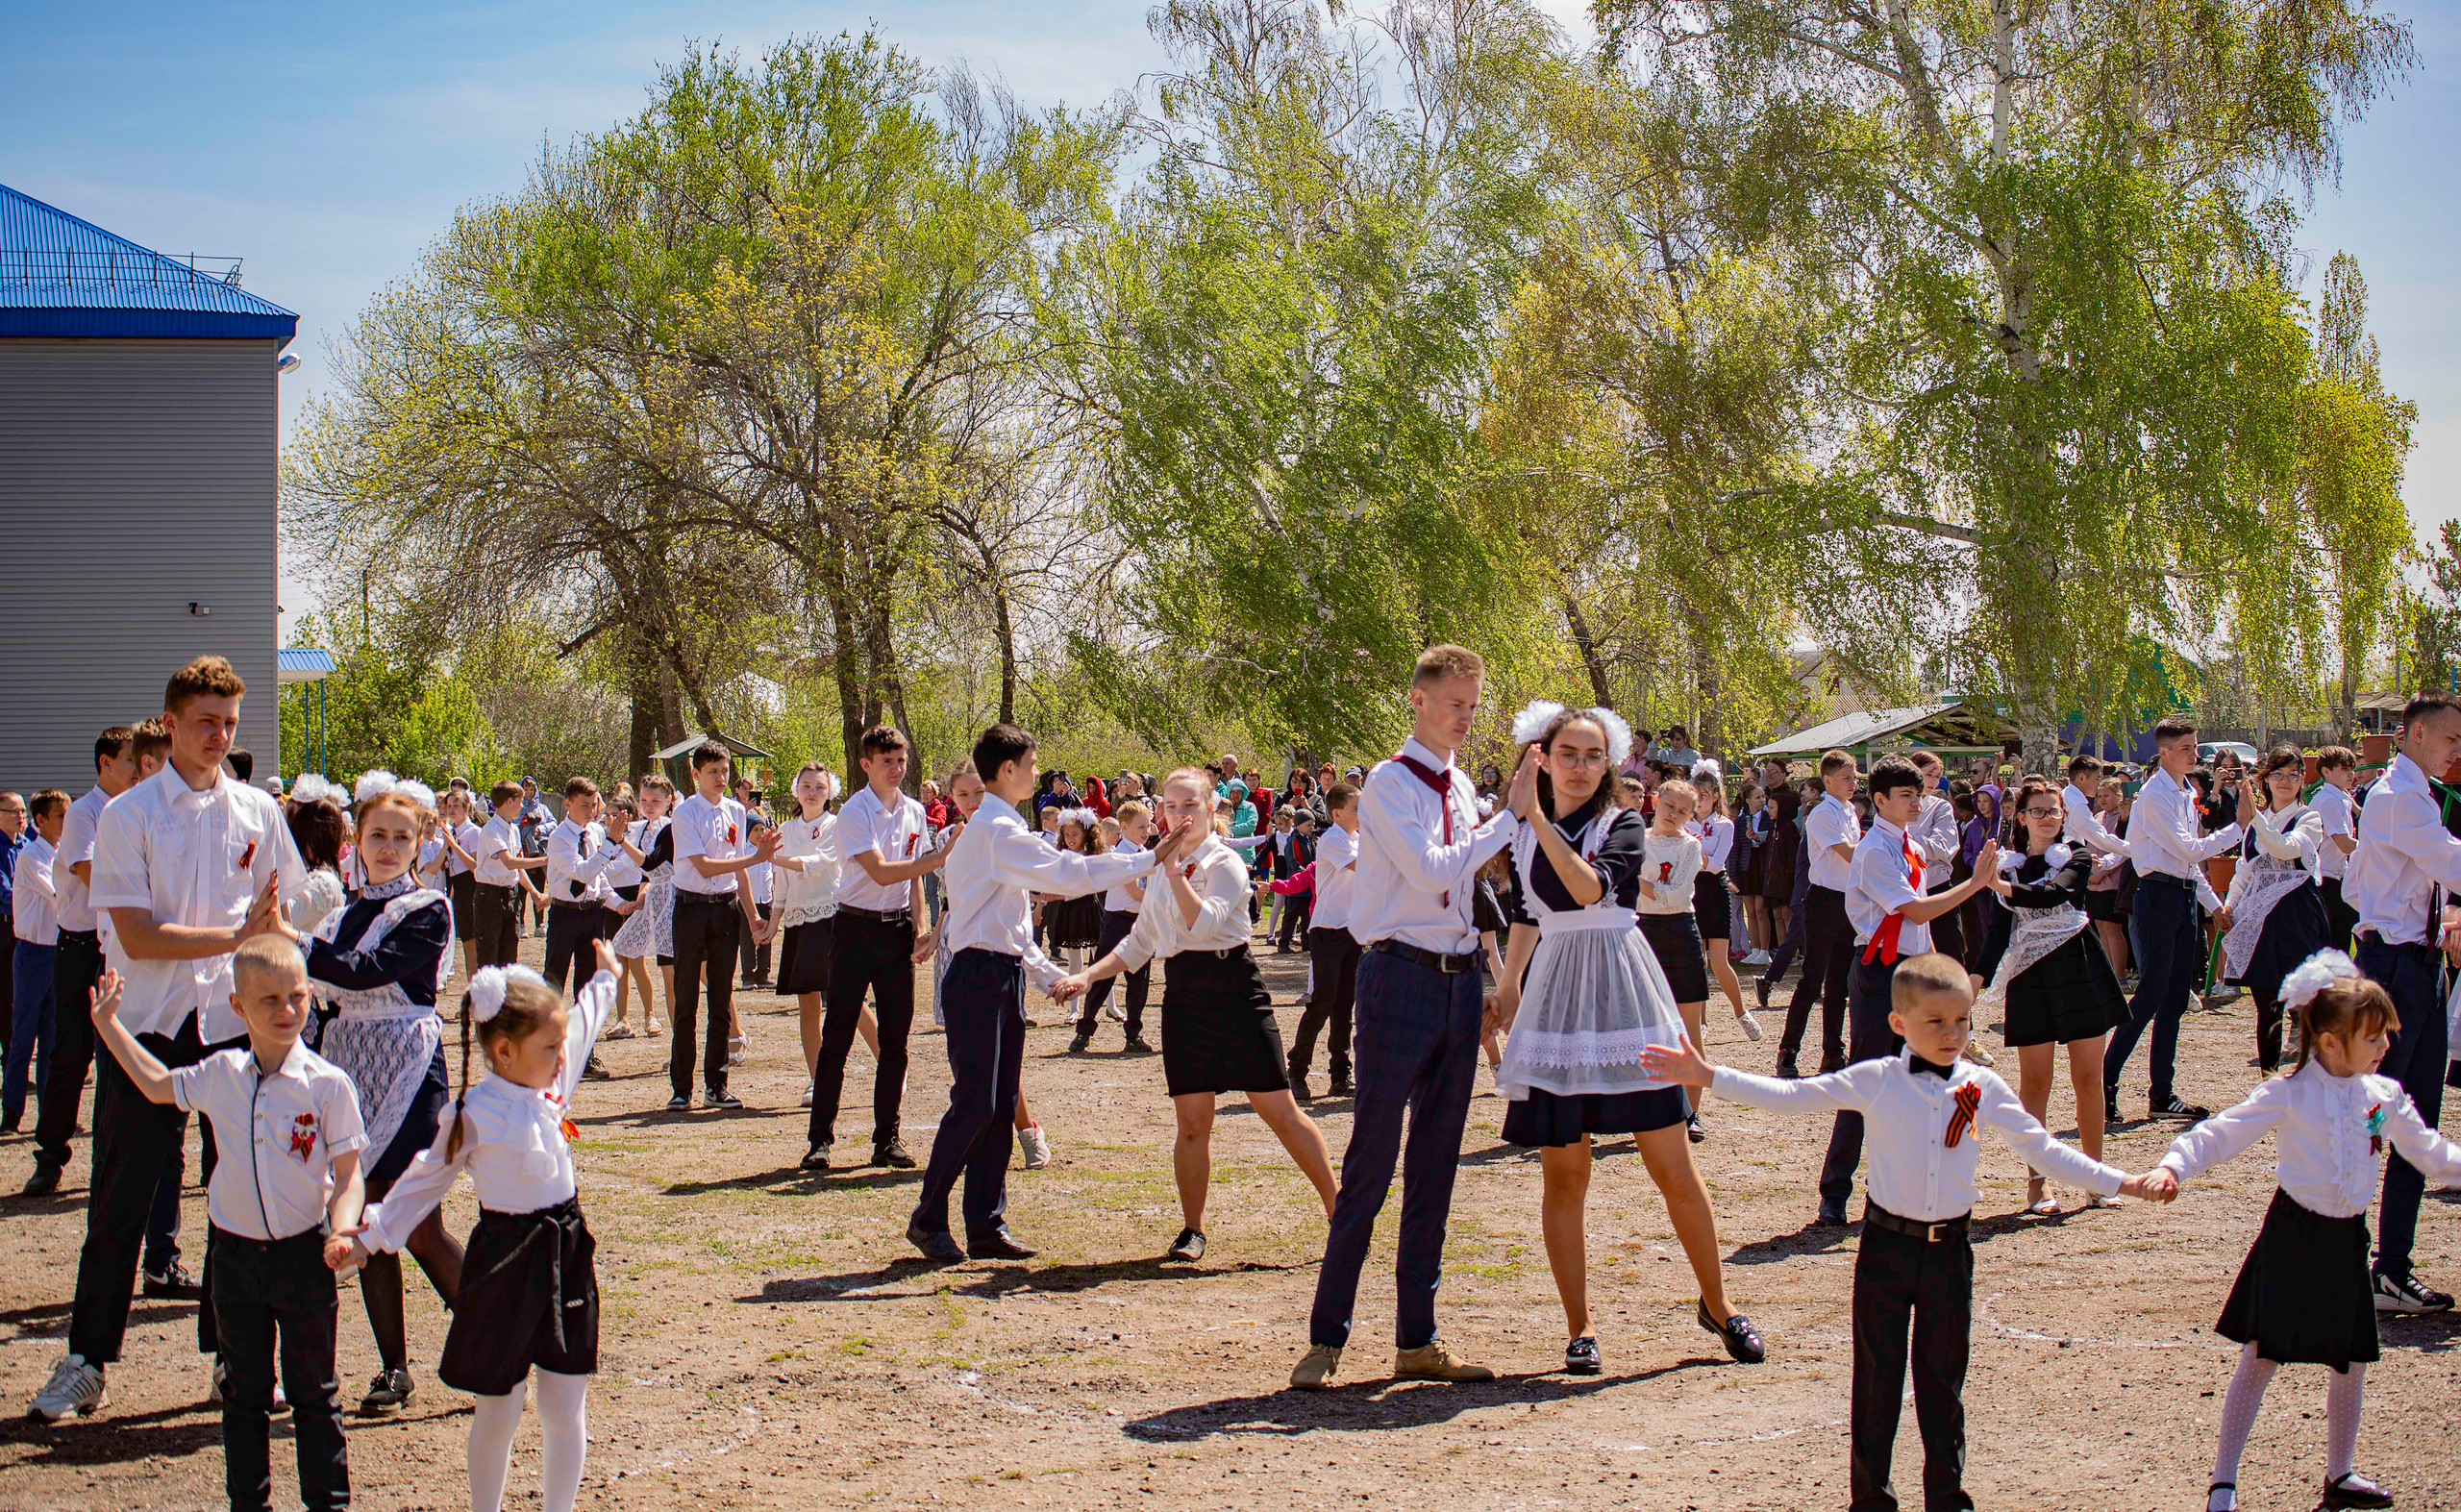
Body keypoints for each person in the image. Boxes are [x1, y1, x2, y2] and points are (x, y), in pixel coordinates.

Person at [1642, 954, 2161, 1512]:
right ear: (1899, 1024)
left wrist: (2121, 1182)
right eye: (1935, 1022)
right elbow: (1794, 1098)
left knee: (1943, 1386)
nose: (1951, 1033)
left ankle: (1947, 1497)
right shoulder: (1878, 1080)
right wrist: (1707, 1075)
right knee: (1877, 1384)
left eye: (1961, 1020)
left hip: (1950, 1254)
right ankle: (1870, 1499)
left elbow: (2044, 1149)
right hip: (1886, 1251)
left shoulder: (1980, 1087)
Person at [31, 657, 308, 1425]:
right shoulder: (129, 815)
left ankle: (232, 1356)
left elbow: (284, 909)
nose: (218, 735)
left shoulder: (258, 810)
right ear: (171, 723)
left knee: (239, 1197)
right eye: (204, 722)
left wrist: (296, 937)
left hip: (230, 1026)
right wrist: (235, 935)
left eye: (228, 722)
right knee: (120, 1198)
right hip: (146, 1027)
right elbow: (138, 936)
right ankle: (87, 1359)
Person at [1487, 704, 1763, 1376]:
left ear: (1607, 762)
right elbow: (1527, 911)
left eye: (1592, 755)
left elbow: (1587, 891)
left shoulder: (1625, 822)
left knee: (1673, 1164)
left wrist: (1537, 819)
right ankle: (1579, 1326)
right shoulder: (1523, 829)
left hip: (1622, 986)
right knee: (1565, 1172)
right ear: (1541, 756)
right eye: (1567, 753)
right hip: (1555, 996)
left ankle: (1718, 1303)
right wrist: (1510, 983)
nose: (1580, 766)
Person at [2143, 952, 2461, 1512]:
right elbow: (2217, 1134)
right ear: (2332, 1042)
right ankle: (2223, 1483)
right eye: (2373, 1038)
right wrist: (2173, 1165)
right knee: (2262, 1353)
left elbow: (2429, 1153)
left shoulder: (2379, 1097)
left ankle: (2339, 1475)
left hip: (2347, 1240)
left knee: (2351, 1357)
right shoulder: (2288, 1093)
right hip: (2293, 1235)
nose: (2387, 1047)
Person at [1292, 644, 1523, 1391]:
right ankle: (1328, 1335)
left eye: (1473, 705)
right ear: (1418, 700)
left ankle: (1417, 1338)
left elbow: (1468, 889)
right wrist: (1507, 820)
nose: (1465, 717)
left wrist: (1488, 976)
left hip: (1456, 985)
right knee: (1370, 1161)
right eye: (1454, 702)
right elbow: (1430, 870)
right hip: (1395, 975)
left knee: (1435, 1165)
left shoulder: (1458, 785)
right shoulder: (1391, 781)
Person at [88, 938, 364, 1512]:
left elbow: (349, 1174)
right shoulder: (220, 1073)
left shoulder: (327, 1084)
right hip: (236, 1265)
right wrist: (111, 1028)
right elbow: (159, 1085)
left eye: (296, 996)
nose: (287, 1010)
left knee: (316, 1397)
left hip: (305, 1259)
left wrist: (342, 1228)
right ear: (237, 1006)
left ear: (311, 995)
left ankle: (329, 1505)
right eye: (269, 1000)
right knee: (244, 1399)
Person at [341, 951, 618, 1512]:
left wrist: (608, 976)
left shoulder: (551, 1079)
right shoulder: (472, 1112)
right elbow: (420, 1185)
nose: (563, 1055)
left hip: (565, 1254)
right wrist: (367, 1237)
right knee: (500, 1408)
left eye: (559, 1045)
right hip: (505, 1263)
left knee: (565, 1406)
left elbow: (586, 1021)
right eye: (549, 1046)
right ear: (504, 1051)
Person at [1056, 767, 1339, 1264]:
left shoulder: (1225, 862)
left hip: (1235, 990)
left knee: (1280, 1113)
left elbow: (1204, 920)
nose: (1179, 815)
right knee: (1191, 1124)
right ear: (1160, 811)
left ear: (1211, 810)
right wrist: (1087, 977)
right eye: (1170, 806)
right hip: (1184, 994)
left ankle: (1342, 1214)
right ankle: (1193, 1230)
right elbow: (1140, 941)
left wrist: (1169, 872)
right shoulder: (1163, 864)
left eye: (1190, 805)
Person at [905, 724, 1161, 1256]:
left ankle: (986, 1225)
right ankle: (929, 1218)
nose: (1035, 773)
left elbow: (1013, 925)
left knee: (998, 1105)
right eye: (1029, 764)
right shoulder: (996, 830)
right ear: (1007, 770)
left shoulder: (1001, 828)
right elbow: (1067, 875)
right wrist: (1146, 859)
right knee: (975, 1103)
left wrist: (1048, 975)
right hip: (976, 976)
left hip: (998, 974)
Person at [1814, 756, 2000, 1227]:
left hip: (1910, 969)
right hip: (1880, 971)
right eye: (1906, 796)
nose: (1916, 802)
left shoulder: (1907, 844)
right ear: (1879, 801)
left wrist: (1935, 969)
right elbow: (1914, 912)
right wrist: (1974, 884)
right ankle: (1835, 1190)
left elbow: (1919, 928)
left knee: (1922, 1080)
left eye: (1919, 795)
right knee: (1869, 1079)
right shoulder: (1876, 848)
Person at [2338, 690, 2461, 1314]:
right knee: (2371, 1124)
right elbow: (2451, 863)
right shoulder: (2397, 797)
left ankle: (2389, 1269)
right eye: (2450, 739)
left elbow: (2360, 879)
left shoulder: (2407, 795)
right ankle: (2346, 1259)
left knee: (2410, 1126)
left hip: (2415, 964)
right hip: (2393, 972)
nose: (2456, 751)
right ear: (2414, 734)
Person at [1972, 777, 2128, 1214]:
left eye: (2054, 810)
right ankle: (2037, 1185)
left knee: (2088, 1079)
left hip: (2080, 968)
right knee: (2035, 1084)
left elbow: (2057, 893)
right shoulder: (2010, 865)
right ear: (2020, 818)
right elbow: (1998, 932)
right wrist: (1974, 980)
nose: (2047, 818)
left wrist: (1998, 888)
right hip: (2030, 977)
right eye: (2037, 811)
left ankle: (2096, 1179)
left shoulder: (2076, 855)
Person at [811, 726, 945, 1165]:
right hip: (853, 929)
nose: (896, 768)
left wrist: (921, 928)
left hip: (895, 934)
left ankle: (887, 1139)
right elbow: (883, 872)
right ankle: (820, 1141)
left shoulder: (911, 811)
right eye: (886, 761)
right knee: (838, 1037)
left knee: (896, 1040)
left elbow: (913, 882)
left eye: (901, 760)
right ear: (867, 764)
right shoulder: (854, 811)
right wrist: (941, 857)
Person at [2105, 716, 2246, 1125]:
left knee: (2175, 1000)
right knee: (2150, 994)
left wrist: (2212, 903)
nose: (2194, 753)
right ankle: (2105, 1080)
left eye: (2195, 746)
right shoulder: (2154, 796)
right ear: (2164, 752)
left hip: (2181, 896)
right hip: (2156, 898)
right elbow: (2187, 850)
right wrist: (2239, 829)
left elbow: (2188, 867)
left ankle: (2161, 1093)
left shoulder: (2185, 792)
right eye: (2185, 748)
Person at [23, 729, 136, 1198]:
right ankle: (50, 1158)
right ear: (106, 763)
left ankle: (107, 1160)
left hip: (116, 946)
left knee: (116, 1061)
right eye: (130, 759)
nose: (137, 767)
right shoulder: (83, 814)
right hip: (79, 946)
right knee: (70, 1056)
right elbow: (92, 875)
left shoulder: (133, 810)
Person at [668, 744, 776, 1112]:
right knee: (686, 999)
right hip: (691, 909)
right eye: (712, 770)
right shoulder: (684, 814)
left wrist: (753, 915)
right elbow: (704, 865)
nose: (720, 777)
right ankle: (681, 1088)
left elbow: (737, 869)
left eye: (724, 769)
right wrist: (757, 856)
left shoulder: (735, 810)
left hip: (725, 911)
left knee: (720, 999)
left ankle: (717, 1084)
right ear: (696, 774)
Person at [2217, 744, 2331, 1075]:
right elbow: (2245, 870)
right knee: (2267, 1006)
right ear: (2266, 780)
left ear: (2302, 780)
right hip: (2261, 919)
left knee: (2306, 1000)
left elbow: (2284, 848)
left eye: (2292, 775)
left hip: (2297, 914)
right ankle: (2268, 1080)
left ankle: (2311, 1079)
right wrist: (2228, 905)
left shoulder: (2308, 817)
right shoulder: (2258, 823)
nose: (2284, 781)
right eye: (2277, 774)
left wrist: (2256, 818)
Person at [1777, 751, 1861, 1078]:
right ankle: (1788, 1050)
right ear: (1827, 781)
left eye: (1854, 777)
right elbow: (1848, 853)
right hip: (1824, 901)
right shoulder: (1822, 813)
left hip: (1849, 900)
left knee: (1840, 981)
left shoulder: (1850, 810)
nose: (1853, 784)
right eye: (1846, 778)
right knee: (1813, 979)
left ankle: (1833, 1052)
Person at [771, 763, 843, 1101]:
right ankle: (818, 1079)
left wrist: (770, 857)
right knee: (808, 1004)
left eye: (819, 786)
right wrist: (771, 924)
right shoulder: (784, 829)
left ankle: (889, 1065)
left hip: (831, 917)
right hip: (799, 923)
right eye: (806, 786)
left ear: (830, 792)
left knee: (848, 1001)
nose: (812, 792)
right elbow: (782, 886)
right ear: (795, 790)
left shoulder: (836, 825)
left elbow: (816, 864)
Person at [1285, 783, 1362, 1098]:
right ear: (1337, 813)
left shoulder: (1358, 838)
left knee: (1345, 1005)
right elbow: (1368, 866)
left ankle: (1340, 1075)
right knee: (1322, 1003)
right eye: (1357, 808)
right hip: (1327, 931)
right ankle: (1296, 1070)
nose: (1363, 814)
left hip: (1351, 931)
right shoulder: (1333, 839)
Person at [1071, 801, 1156, 1055]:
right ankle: (1083, 1032)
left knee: (1138, 981)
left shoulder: (1143, 852)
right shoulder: (1120, 855)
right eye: (1141, 826)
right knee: (1103, 977)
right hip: (1118, 921)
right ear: (1125, 827)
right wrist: (1163, 894)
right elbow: (1135, 891)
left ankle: (1134, 1035)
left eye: (1148, 824)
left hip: (1139, 923)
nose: (1147, 830)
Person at [1686, 762, 1761, 1044]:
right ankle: (1701, 1021)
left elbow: (1718, 865)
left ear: (1716, 795)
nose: (1701, 799)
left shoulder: (1725, 825)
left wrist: (1694, 850)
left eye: (1706, 794)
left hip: (1715, 891)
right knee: (1697, 961)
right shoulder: (1684, 823)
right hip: (1689, 889)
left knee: (1719, 961)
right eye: (1696, 793)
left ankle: (1741, 1012)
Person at [6, 788, 65, 1132]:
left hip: (53, 952)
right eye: (59, 816)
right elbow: (60, 894)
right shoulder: (32, 856)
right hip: (32, 954)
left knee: (51, 1039)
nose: (65, 823)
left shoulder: (59, 853)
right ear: (40, 821)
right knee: (23, 1037)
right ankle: (12, 1112)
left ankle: (48, 1113)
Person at [541, 779, 617, 998]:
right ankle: (549, 1029)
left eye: (594, 805)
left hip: (593, 913)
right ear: (567, 804)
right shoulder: (559, 837)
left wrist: (619, 903)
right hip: (566, 912)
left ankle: (585, 1031)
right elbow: (582, 872)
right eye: (584, 805)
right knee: (555, 976)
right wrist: (611, 843)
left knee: (589, 980)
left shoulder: (594, 832)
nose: (591, 811)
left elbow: (598, 877)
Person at [472, 781, 548, 971]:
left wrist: (534, 892)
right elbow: (509, 861)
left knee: (509, 954)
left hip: (510, 895)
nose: (522, 806)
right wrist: (546, 860)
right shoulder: (491, 830)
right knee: (489, 955)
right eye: (520, 801)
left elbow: (517, 867)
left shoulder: (513, 829)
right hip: (489, 896)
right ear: (508, 802)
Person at [1040, 808, 1107, 970]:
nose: (1070, 839)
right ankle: (1073, 996)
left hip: (1089, 908)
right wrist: (1042, 904)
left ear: (1085, 834)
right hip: (1070, 912)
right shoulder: (1063, 857)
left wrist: (1061, 895)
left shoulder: (1090, 858)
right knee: (1074, 961)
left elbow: (1087, 886)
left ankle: (1106, 996)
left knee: (1098, 958)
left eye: (1075, 834)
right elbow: (1053, 883)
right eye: (1067, 834)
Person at [2310, 745, 2360, 950]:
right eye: (2344, 768)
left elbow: (2362, 813)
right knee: (2334, 947)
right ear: (2326, 771)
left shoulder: (2340, 796)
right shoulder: (2329, 800)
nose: (2351, 774)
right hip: (2326, 883)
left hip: (2337, 879)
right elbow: (2344, 843)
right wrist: (2379, 849)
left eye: (2352, 768)